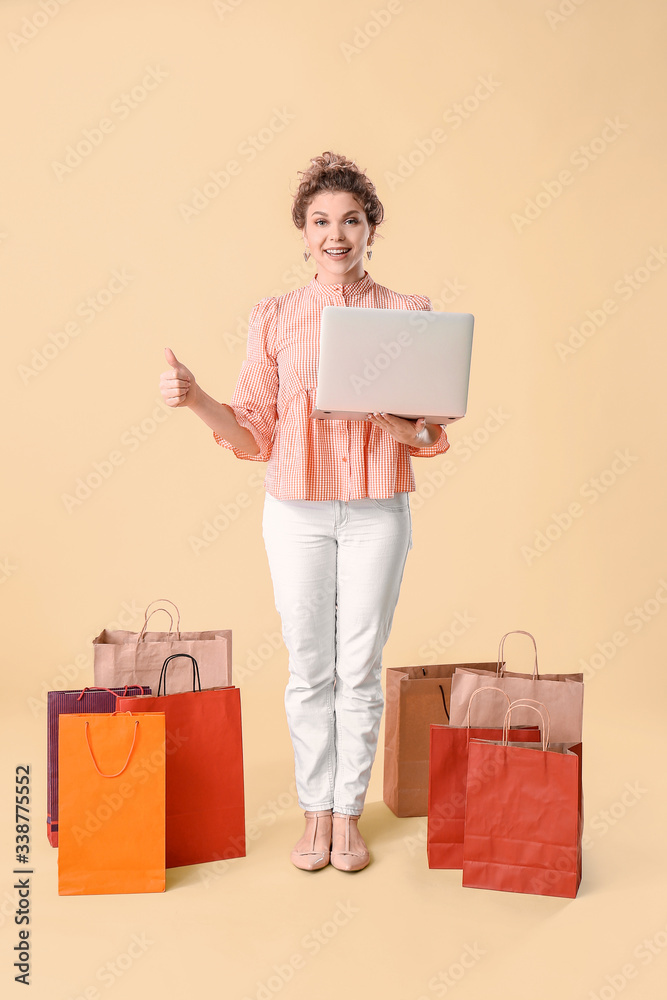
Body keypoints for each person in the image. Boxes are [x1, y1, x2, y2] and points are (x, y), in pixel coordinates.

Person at [159, 151, 450, 872]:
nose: (336, 234)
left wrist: (400, 429)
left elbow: (432, 432)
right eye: (321, 221)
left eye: (350, 220)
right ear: (303, 232)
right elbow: (253, 431)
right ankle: (312, 812)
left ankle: (346, 815)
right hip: (296, 512)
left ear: (371, 229)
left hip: (378, 509)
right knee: (307, 668)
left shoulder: (409, 314)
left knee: (359, 665)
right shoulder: (274, 316)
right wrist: (195, 399)